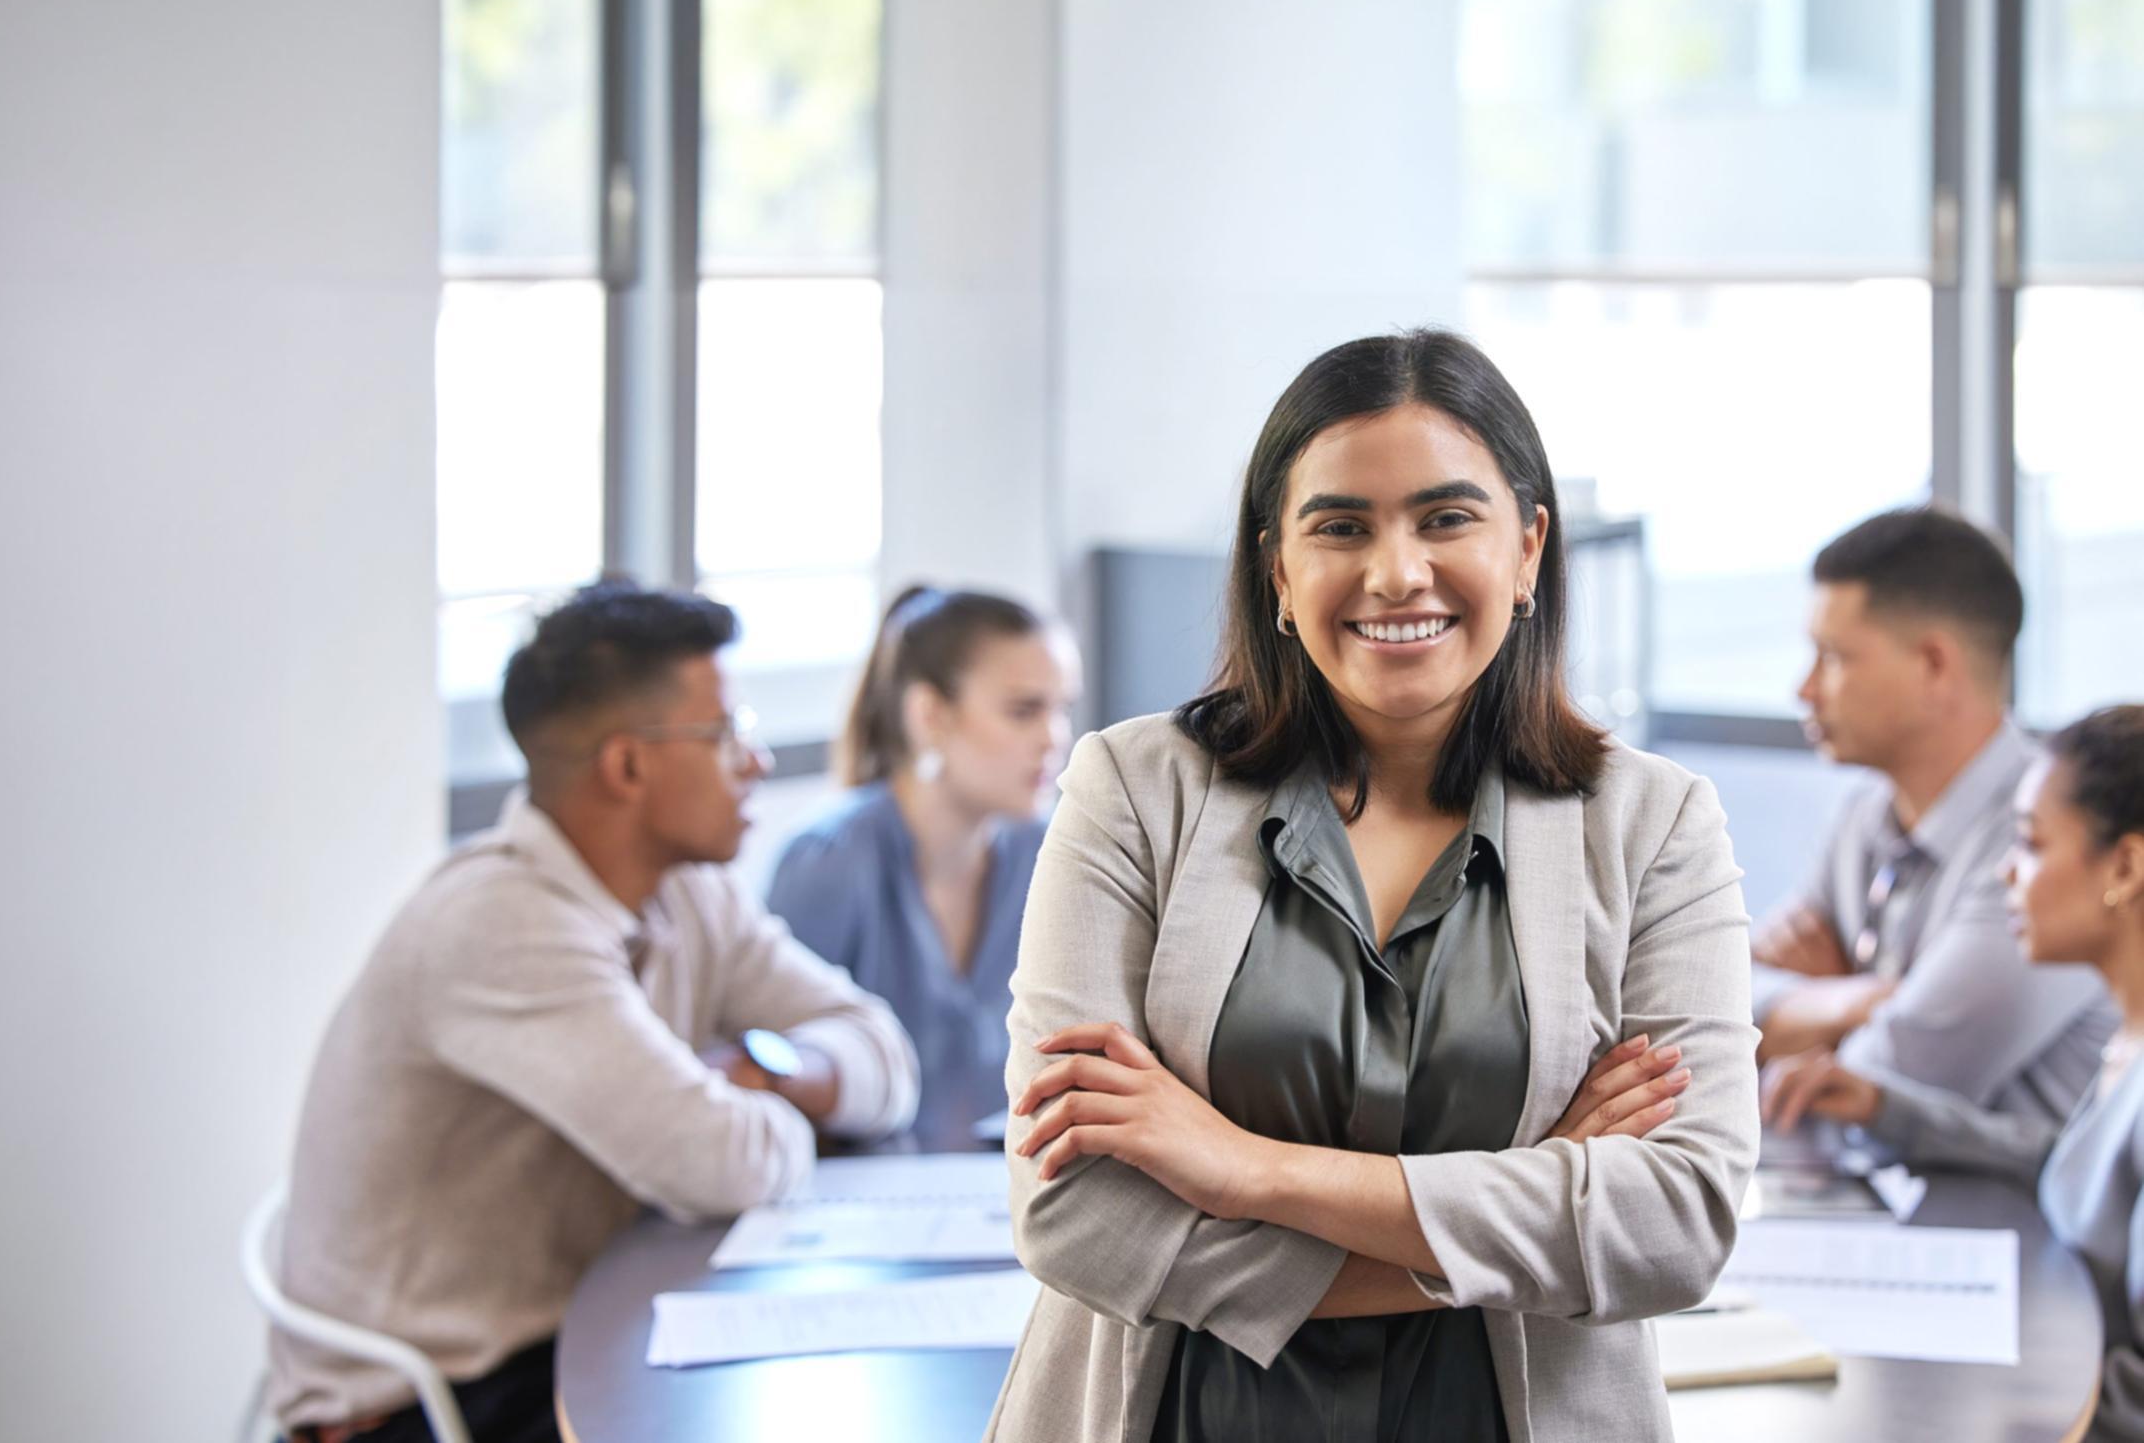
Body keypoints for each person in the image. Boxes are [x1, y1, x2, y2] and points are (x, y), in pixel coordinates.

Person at [987, 330, 1759, 1443]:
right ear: (1278, 571)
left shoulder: (1652, 826)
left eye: (1445, 518)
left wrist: (1242, 1167)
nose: (1396, 571)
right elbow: (1072, 1213)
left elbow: (1676, 1222)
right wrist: (1534, 1194)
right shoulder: (1130, 792)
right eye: (1340, 525)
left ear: (1528, 548)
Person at [268, 582, 918, 1443]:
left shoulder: (691, 894)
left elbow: (885, 1055)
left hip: (569, 1332)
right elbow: (719, 1162)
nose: (755, 760)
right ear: (628, 765)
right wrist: (773, 1108)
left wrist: (776, 1071)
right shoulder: (500, 926)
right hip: (430, 1406)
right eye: (725, 733)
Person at [1763, 706, 2144, 1441]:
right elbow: (2069, 1170)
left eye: (2030, 844)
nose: (2007, 871)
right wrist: (1886, 1108)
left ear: (2124, 869)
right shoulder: (2128, 1042)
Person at [1752, 509, 2115, 1126]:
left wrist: (1822, 1029)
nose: (1804, 690)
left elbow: (1888, 1077)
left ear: (1934, 665)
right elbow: (1710, 1011)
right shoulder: (1864, 817)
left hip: (2014, 1220)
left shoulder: (2048, 840)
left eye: (1834, 658)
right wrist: (1857, 1001)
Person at [767, 585, 1080, 1135]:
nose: (1055, 737)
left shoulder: (1049, 854)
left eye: (1061, 709)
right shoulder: (828, 864)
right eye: (1024, 710)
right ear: (930, 715)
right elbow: (778, 1075)